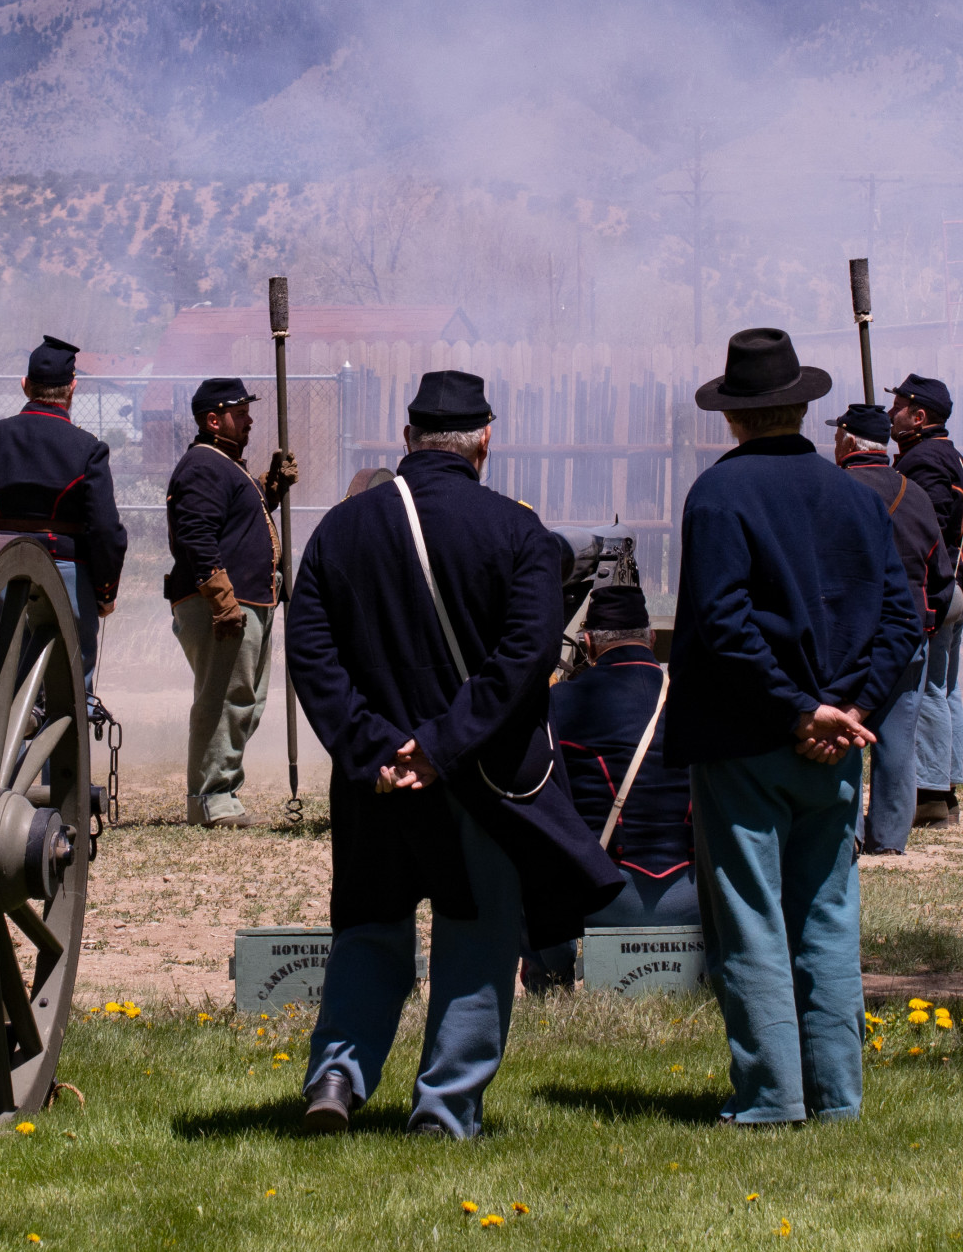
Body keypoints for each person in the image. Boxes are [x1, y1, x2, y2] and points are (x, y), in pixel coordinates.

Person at [287, 370, 623, 1138]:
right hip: (480, 778)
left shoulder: (341, 530)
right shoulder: (519, 533)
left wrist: (373, 749)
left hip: (375, 783)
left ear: (406, 441)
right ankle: (443, 1110)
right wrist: (437, 747)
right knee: (476, 936)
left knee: (369, 926)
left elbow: (311, 652)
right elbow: (524, 658)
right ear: (485, 440)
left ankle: (337, 1075)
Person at [667, 328, 918, 1125]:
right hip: (836, 740)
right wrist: (852, 709)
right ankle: (837, 1097)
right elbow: (901, 620)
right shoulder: (857, 495)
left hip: (747, 737)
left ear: (735, 417)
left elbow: (721, 623)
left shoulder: (717, 496)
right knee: (829, 917)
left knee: (750, 917)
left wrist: (799, 707)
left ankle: (773, 1097)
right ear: (805, 408)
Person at [520, 581, 695, 992]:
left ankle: (552, 975)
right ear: (651, 638)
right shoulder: (696, 702)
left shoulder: (560, 703)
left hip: (602, 899)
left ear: (587, 642)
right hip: (695, 900)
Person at [0, 335, 128, 687]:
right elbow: (105, 529)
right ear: (73, 389)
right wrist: (104, 592)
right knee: (71, 681)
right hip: (65, 574)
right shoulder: (89, 449)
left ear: (25, 386)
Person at [164, 377, 295, 828]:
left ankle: (222, 793)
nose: (250, 420)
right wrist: (221, 600)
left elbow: (236, 522)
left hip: (248, 600)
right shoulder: (203, 465)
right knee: (223, 701)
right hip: (225, 603)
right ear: (213, 418)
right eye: (240, 413)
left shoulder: (224, 465)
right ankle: (210, 800)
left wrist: (269, 488)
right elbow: (196, 535)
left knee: (245, 701)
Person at [829, 401, 958, 856]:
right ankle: (889, 840)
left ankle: (848, 835)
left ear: (846, 440)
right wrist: (926, 623)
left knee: (842, 734)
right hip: (910, 638)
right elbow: (941, 575)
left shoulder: (832, 490)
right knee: (898, 744)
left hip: (848, 638)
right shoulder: (914, 492)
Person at [887, 374, 963, 829]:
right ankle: (946, 789)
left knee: (926, 691)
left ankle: (930, 794)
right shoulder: (948, 454)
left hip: (936, 589)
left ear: (919, 416)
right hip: (956, 588)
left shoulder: (924, 461)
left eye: (899, 406)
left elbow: (926, 528)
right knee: (945, 690)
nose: (891, 413)